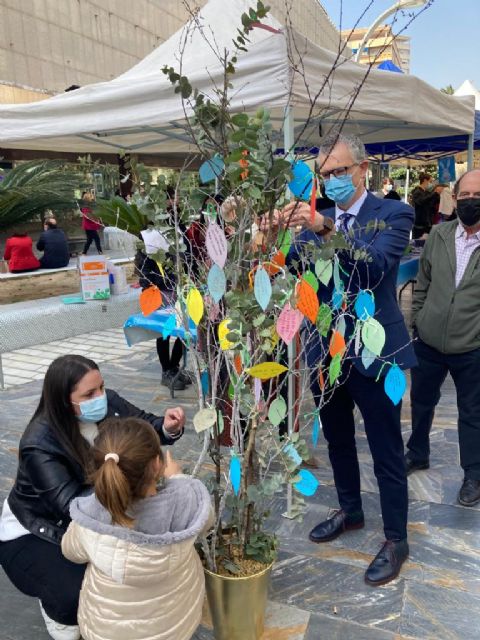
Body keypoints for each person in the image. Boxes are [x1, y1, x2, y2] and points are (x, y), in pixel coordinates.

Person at [264, 132, 416, 586]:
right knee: (338, 440)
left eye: (339, 172)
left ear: (363, 169)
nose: (331, 181)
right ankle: (350, 510)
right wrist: (269, 234)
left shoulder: (393, 212)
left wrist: (323, 228)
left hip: (375, 354)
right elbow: (289, 268)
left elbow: (373, 266)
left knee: (387, 450)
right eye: (324, 175)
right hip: (327, 353)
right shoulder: (317, 218)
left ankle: (395, 538)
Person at [0, 354, 186, 640]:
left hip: (90, 512)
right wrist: (150, 483)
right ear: (63, 400)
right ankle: (57, 614)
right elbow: (75, 507)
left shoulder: (108, 404)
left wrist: (166, 427)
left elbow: (143, 424)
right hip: (41, 530)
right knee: (73, 594)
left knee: (125, 570)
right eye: (89, 393)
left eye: (101, 387)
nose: (101, 396)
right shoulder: (40, 444)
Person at [61, 416, 212, 640]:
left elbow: (70, 551)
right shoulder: (185, 500)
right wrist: (178, 477)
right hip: (173, 624)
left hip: (106, 628)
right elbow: (207, 520)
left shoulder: (89, 516)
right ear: (157, 463)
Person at [405, 169, 480, 507]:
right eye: (464, 195)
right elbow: (423, 281)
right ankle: (417, 453)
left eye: (476, 196)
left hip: (472, 347)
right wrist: (418, 322)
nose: (470, 201)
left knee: (472, 412)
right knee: (421, 401)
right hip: (430, 340)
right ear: (454, 195)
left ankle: (473, 475)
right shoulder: (439, 234)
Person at [135, 223, 190, 391]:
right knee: (163, 334)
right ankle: (166, 371)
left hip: (179, 293)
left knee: (184, 332)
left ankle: (174, 366)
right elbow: (144, 276)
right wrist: (165, 280)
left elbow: (188, 261)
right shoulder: (147, 246)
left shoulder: (178, 236)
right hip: (159, 296)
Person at [410, 173, 440, 239]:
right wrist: (434, 193)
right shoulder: (417, 192)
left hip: (427, 224)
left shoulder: (426, 192)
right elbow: (421, 201)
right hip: (419, 225)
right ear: (425, 180)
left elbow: (432, 203)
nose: (431, 184)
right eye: (430, 181)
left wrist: (437, 195)